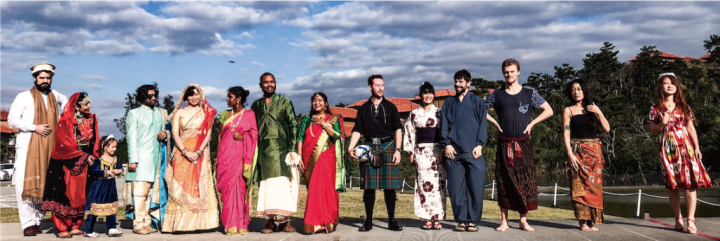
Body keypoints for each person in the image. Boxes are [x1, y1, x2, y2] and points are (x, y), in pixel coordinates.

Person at [486, 59, 553, 232]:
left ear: (519, 72)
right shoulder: (496, 94)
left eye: (512, 71)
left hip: (524, 144)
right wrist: (495, 123)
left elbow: (549, 110)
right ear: (503, 73)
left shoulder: (530, 93)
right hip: (504, 143)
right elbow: (480, 110)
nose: (509, 74)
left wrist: (531, 125)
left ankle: (523, 220)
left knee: (525, 180)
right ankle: (504, 221)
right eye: (506, 72)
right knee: (503, 180)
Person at [8, 63, 68, 236]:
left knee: (47, 185)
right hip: (29, 147)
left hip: (51, 147)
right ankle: (28, 223)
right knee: (25, 185)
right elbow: (12, 120)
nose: (45, 81)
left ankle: (37, 220)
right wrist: (34, 127)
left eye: (48, 78)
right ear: (34, 78)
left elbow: (68, 103)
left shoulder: (54, 95)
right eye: (42, 78)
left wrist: (62, 119)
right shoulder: (23, 97)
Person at [649, 72, 712, 235]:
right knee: (672, 184)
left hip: (685, 146)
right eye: (665, 83)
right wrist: (662, 123)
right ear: (660, 86)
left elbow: (691, 128)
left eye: (672, 83)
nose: (669, 85)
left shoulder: (684, 106)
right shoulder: (655, 108)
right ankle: (678, 218)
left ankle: (691, 219)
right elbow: (652, 130)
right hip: (667, 147)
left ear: (677, 86)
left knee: (690, 182)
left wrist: (697, 148)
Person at [348, 75, 404, 232]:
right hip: (368, 148)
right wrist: (351, 147)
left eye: (382, 85)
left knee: (390, 188)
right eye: (377, 85)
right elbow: (357, 130)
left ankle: (392, 220)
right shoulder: (364, 109)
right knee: (368, 188)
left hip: (388, 147)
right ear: (370, 87)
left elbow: (398, 129)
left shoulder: (391, 107)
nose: (380, 88)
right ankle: (368, 221)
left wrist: (398, 150)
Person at [162, 84, 219, 232]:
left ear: (201, 96)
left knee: (198, 187)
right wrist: (186, 152)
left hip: (200, 152)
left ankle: (200, 224)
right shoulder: (180, 112)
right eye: (191, 94)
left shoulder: (206, 112)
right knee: (182, 187)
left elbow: (208, 134)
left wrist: (199, 151)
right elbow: (175, 134)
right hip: (182, 152)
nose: (194, 97)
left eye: (197, 94)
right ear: (185, 97)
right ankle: (180, 225)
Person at [41, 92, 99, 238]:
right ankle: (62, 227)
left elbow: (95, 140)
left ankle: (75, 225)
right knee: (64, 194)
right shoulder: (65, 121)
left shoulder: (91, 119)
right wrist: (83, 156)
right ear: (77, 106)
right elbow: (62, 145)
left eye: (89, 103)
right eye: (86, 104)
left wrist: (93, 156)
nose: (90, 106)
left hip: (85, 163)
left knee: (81, 194)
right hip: (65, 163)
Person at [250, 72, 300, 234]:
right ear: (260, 85)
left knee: (283, 187)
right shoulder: (256, 105)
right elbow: (252, 129)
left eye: (272, 82)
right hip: (264, 151)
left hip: (282, 150)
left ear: (276, 83)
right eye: (266, 82)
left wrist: (292, 149)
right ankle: (270, 221)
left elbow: (293, 125)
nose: (269, 85)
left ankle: (285, 222)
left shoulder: (285, 102)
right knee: (267, 187)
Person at [440, 71, 488, 232]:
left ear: (468, 83)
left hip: (474, 151)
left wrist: (480, 145)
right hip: (453, 152)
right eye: (455, 81)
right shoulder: (448, 103)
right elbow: (444, 125)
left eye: (460, 81)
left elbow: (483, 125)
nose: (457, 84)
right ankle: (461, 220)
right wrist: (446, 144)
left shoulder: (478, 102)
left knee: (476, 186)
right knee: (455, 188)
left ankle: (473, 220)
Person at [562, 79, 610, 232]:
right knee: (578, 187)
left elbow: (606, 129)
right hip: (577, 151)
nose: (576, 92)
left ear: (584, 90)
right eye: (573, 90)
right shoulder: (568, 110)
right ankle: (582, 222)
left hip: (594, 152)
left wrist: (598, 112)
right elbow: (566, 132)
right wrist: (570, 153)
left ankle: (592, 222)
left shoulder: (593, 109)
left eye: (579, 89)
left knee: (594, 187)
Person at [298, 92, 346, 234]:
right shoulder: (306, 119)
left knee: (327, 191)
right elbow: (300, 138)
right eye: (314, 100)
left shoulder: (332, 119)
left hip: (328, 159)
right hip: (310, 159)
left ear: (325, 103)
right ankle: (313, 223)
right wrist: (299, 157)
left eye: (319, 100)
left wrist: (324, 124)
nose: (316, 103)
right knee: (314, 190)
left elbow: (337, 135)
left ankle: (328, 222)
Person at [124, 84, 169, 234]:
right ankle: (138, 224)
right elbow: (131, 138)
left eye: (155, 95)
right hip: (140, 159)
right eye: (150, 96)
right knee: (139, 193)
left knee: (151, 193)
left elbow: (170, 130)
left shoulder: (162, 113)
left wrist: (166, 134)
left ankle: (148, 223)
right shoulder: (134, 113)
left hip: (157, 160)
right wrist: (133, 160)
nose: (154, 98)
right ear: (143, 97)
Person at [404, 82, 448, 230]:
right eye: (425, 92)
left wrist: (443, 150)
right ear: (420, 95)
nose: (428, 95)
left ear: (434, 95)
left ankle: (437, 218)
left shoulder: (440, 113)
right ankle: (426, 217)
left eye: (430, 92)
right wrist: (410, 152)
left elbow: (444, 133)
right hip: (421, 152)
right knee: (423, 185)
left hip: (437, 151)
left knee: (438, 185)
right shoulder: (414, 114)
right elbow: (410, 133)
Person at [216, 86, 257, 236]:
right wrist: (217, 157)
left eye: (230, 97)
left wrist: (244, 137)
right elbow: (220, 136)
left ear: (238, 99)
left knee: (240, 189)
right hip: (226, 156)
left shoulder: (249, 114)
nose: (227, 99)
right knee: (227, 189)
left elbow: (254, 134)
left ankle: (241, 224)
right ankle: (229, 224)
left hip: (241, 157)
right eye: (228, 97)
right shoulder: (225, 115)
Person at [84, 135, 124, 237]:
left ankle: (112, 228)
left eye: (115, 147)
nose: (114, 149)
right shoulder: (99, 160)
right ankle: (88, 230)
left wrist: (119, 171)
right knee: (95, 208)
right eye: (112, 147)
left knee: (111, 207)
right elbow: (93, 171)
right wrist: (106, 172)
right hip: (99, 186)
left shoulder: (115, 159)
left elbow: (120, 168)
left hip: (111, 186)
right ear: (105, 147)